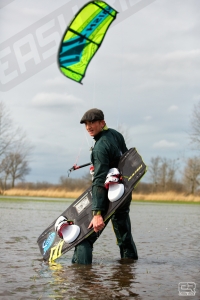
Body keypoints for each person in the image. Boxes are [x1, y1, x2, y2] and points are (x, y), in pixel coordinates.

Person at [72, 108, 138, 264]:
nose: (89, 127)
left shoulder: (100, 147)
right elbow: (125, 158)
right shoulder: (115, 134)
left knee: (83, 238)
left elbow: (99, 181)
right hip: (123, 192)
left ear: (102, 123)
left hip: (109, 195)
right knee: (124, 234)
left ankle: (83, 279)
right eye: (86, 124)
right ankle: (128, 269)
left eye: (93, 122)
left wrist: (97, 213)